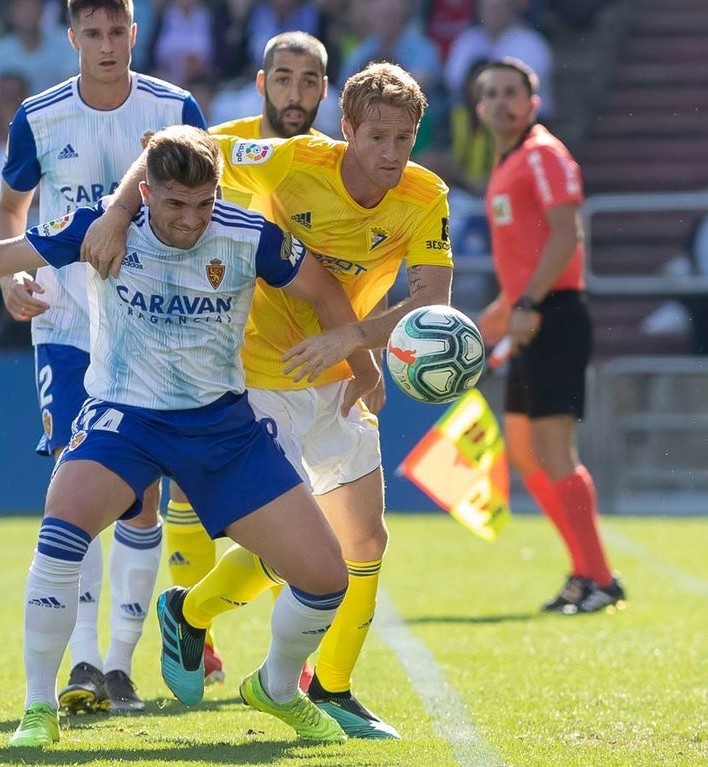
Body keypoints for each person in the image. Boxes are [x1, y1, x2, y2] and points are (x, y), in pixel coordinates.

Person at [0, 124, 376, 749]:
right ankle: (37, 709)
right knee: (61, 529)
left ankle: (276, 687)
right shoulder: (103, 230)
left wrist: (362, 361)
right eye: (175, 204)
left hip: (222, 427)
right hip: (126, 420)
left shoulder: (248, 237)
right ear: (146, 192)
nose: (191, 220)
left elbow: (324, 290)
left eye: (204, 202)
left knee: (326, 578)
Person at [82, 61, 454, 740]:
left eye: (404, 138)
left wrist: (354, 349)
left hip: (337, 376)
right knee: (294, 548)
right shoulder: (288, 162)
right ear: (347, 130)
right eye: (377, 137)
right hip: (258, 373)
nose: (392, 154)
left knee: (366, 536)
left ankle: (333, 686)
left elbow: (432, 302)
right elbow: (172, 144)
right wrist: (115, 212)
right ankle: (192, 614)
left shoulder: (426, 196)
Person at [0, 0, 206, 714]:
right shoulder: (40, 115)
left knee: (143, 494)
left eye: (118, 31)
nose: (107, 45)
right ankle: (82, 662)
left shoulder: (175, 108)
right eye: (94, 33)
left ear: (135, 34)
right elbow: (8, 212)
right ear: (73, 36)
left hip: (150, 327)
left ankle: (119, 664)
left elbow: (203, 210)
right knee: (76, 485)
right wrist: (9, 276)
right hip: (68, 322)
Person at [164, 28, 333, 688]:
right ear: (262, 84)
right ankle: (200, 638)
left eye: (309, 80)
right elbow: (149, 188)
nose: (295, 93)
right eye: (283, 79)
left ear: (325, 88)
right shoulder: (216, 149)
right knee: (192, 488)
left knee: (298, 515)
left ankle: (192, 614)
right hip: (215, 348)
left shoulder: (334, 164)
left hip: (304, 359)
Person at [474, 57, 626, 614]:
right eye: (491, 92)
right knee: (524, 451)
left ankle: (600, 579)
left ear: (533, 102)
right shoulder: (509, 162)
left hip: (554, 314)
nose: (502, 101)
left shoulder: (542, 153)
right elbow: (526, 259)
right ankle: (583, 573)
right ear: (479, 107)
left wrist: (531, 303)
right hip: (530, 313)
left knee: (555, 450)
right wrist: (493, 317)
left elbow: (568, 234)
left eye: (513, 91)